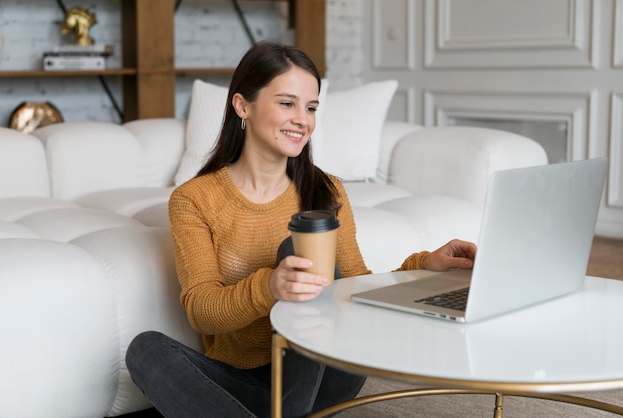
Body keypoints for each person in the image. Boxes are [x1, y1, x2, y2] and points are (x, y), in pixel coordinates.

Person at [126, 40, 476, 418]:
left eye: (310, 108)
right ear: (242, 105)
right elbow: (202, 310)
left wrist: (425, 265)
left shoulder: (325, 189)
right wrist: (270, 286)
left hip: (326, 372)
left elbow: (356, 286)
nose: (303, 119)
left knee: (297, 249)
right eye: (287, 103)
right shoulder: (195, 199)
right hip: (243, 379)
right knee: (145, 350)